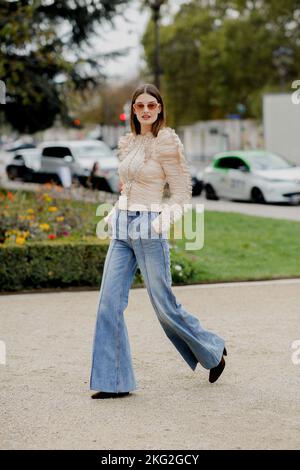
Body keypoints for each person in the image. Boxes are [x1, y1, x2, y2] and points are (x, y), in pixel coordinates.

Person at [89, 83, 227, 399]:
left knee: (163, 306)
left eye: (152, 105)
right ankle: (113, 382)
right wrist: (114, 213)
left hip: (150, 227)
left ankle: (212, 349)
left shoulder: (166, 142)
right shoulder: (129, 142)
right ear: (133, 110)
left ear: (160, 108)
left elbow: (180, 193)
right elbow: (127, 186)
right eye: (140, 106)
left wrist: (160, 222)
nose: (147, 111)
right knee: (108, 304)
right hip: (123, 227)